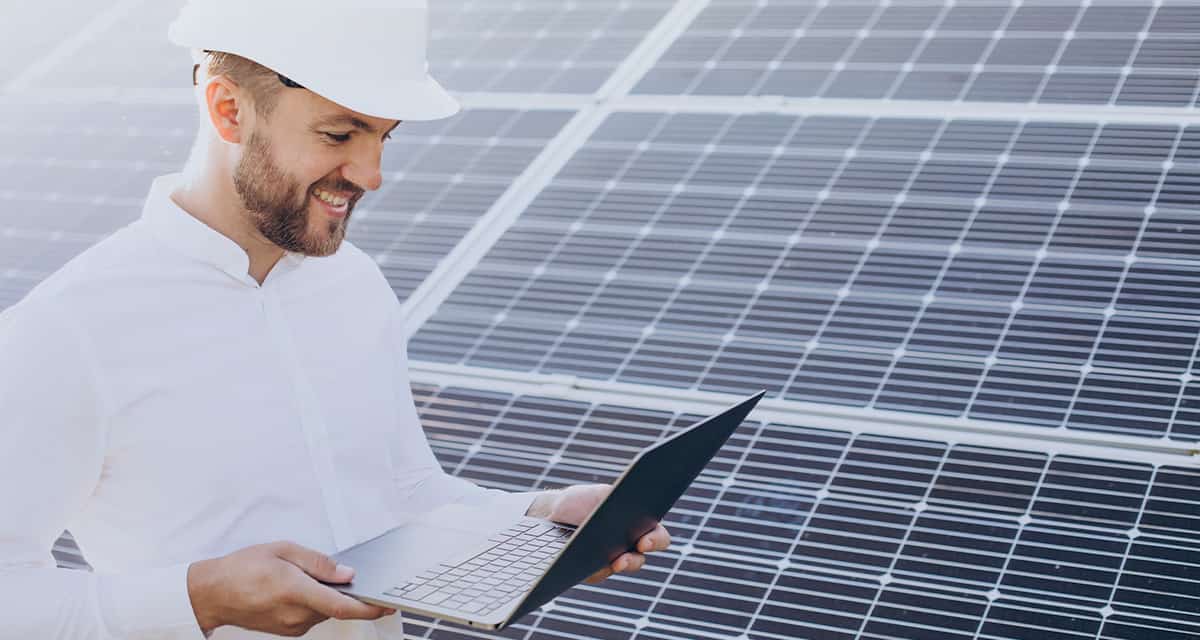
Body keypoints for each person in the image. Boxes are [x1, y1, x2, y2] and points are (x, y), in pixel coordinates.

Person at [0, 1, 670, 638]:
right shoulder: (66, 332)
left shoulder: (352, 285)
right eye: (340, 133)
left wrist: (538, 517)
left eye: (383, 136)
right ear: (228, 108)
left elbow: (403, 492)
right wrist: (196, 597)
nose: (372, 174)